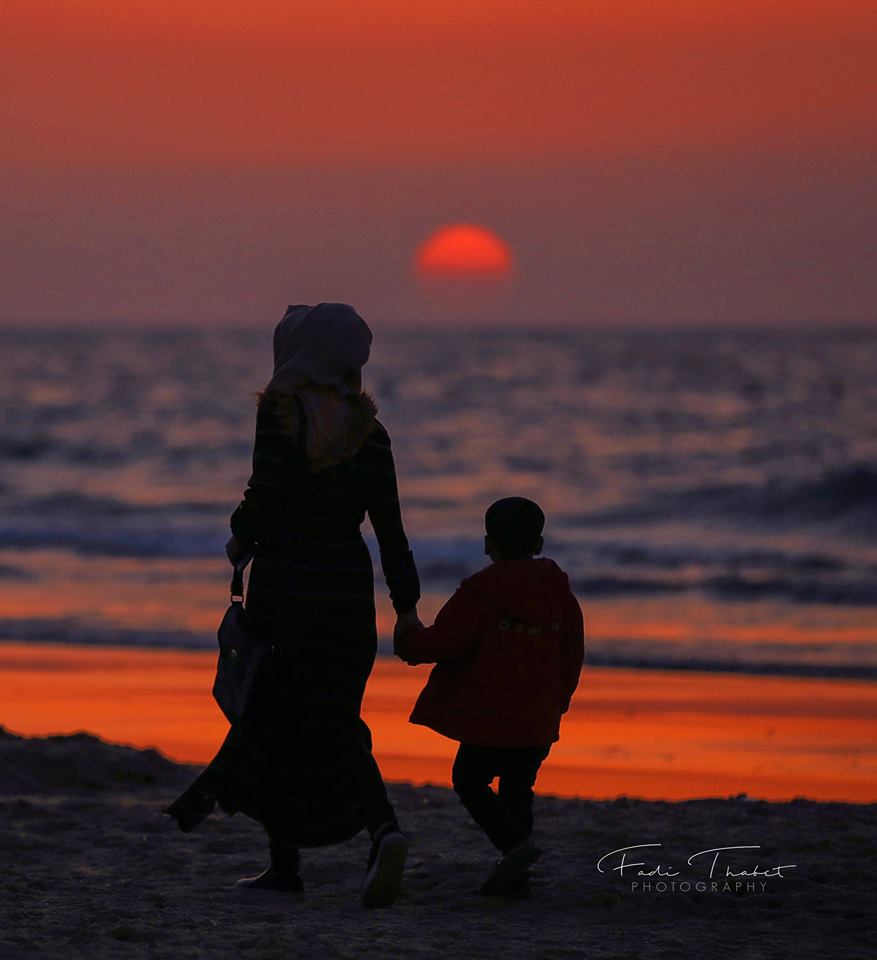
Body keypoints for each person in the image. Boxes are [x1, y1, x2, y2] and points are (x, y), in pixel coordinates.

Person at [166, 303, 423, 908]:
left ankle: (297, 863)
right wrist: (406, 609)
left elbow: (266, 490)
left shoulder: (282, 415)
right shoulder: (371, 431)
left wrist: (241, 533)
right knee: (336, 720)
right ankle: (377, 831)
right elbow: (391, 529)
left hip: (289, 591)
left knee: (274, 716)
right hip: (348, 595)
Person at [394, 497, 584, 895]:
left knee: (468, 779)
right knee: (518, 787)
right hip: (537, 716)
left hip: (490, 717)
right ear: (539, 543)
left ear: (487, 543)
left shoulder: (481, 593)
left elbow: (444, 642)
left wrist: (409, 639)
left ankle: (515, 848)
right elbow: (573, 649)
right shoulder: (557, 590)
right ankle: (517, 870)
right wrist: (559, 699)